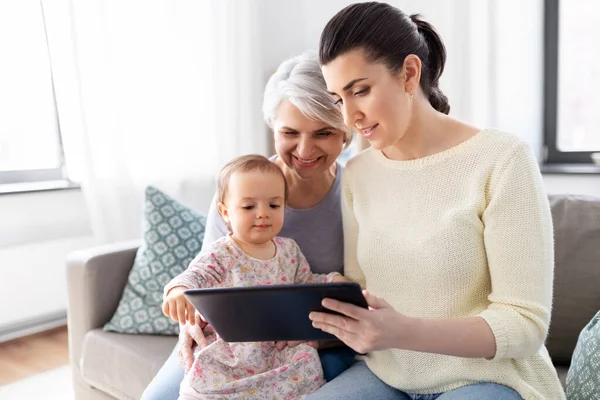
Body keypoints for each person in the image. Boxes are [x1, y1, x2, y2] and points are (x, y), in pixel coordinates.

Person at [306, 2, 566, 399]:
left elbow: (525, 324)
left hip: (488, 379)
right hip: (386, 374)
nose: (350, 117)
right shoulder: (358, 173)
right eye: (339, 99)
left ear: (409, 73)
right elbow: (359, 288)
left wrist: (402, 330)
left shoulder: (502, 159)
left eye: (360, 91)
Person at [141, 51, 357, 400]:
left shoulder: (356, 195)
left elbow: (357, 301)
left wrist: (319, 335)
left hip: (312, 342)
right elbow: (204, 279)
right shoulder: (237, 189)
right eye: (289, 132)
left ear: (345, 134)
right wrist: (190, 321)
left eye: (323, 132)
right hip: (228, 343)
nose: (304, 149)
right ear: (273, 129)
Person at [162, 154, 348, 399]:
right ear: (225, 212)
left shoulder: (289, 250)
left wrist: (335, 282)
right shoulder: (222, 253)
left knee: (305, 369)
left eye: (274, 205)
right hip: (234, 350)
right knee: (205, 385)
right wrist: (177, 290)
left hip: (279, 346)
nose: (263, 214)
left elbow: (306, 282)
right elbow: (196, 275)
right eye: (249, 207)